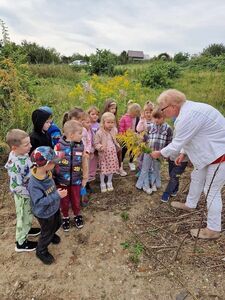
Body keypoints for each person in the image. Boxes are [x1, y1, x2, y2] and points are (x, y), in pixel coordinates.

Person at [151, 89, 225, 239]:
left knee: (211, 191)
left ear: (173, 105)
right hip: (208, 153)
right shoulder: (188, 111)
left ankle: (213, 229)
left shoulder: (189, 115)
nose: (162, 112)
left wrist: (159, 153)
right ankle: (190, 204)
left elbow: (177, 143)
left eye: (163, 109)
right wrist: (183, 153)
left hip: (218, 154)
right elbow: (190, 136)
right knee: (196, 177)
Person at [28, 146, 67, 264]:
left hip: (53, 207)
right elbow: (39, 202)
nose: (56, 163)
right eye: (54, 162)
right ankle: (41, 250)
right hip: (44, 213)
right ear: (46, 164)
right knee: (46, 232)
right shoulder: (34, 184)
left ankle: (51, 234)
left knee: (58, 223)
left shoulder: (47, 171)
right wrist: (57, 196)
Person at [5, 129, 40, 252]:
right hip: (23, 195)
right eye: (26, 145)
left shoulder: (21, 153)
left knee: (28, 214)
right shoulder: (15, 164)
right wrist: (29, 193)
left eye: (29, 143)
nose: (30, 146)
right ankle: (21, 242)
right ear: (14, 148)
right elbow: (16, 186)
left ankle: (28, 229)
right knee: (23, 217)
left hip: (28, 191)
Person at [54, 120, 88, 231]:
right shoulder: (58, 147)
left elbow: (84, 163)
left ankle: (77, 215)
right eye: (80, 133)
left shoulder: (81, 146)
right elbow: (53, 163)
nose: (82, 135)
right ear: (72, 135)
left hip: (76, 181)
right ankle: (65, 217)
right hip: (62, 181)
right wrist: (53, 179)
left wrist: (85, 178)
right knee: (63, 201)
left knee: (76, 199)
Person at [136, 109, 173, 194]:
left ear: (164, 118)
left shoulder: (168, 129)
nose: (156, 120)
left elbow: (169, 142)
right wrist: (140, 142)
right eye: (155, 117)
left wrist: (165, 153)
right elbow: (145, 140)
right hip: (148, 152)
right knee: (145, 168)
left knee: (156, 169)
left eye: (159, 118)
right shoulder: (149, 127)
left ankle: (153, 184)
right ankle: (144, 185)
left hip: (159, 153)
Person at [94, 112, 120, 193]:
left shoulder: (114, 130)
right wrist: (100, 147)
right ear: (103, 122)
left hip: (112, 152)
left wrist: (118, 145)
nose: (110, 124)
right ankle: (102, 183)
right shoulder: (99, 132)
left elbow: (116, 139)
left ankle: (109, 181)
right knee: (103, 169)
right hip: (104, 154)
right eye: (108, 122)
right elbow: (95, 143)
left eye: (112, 122)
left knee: (112, 167)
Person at [119, 102, 141, 171]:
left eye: (136, 115)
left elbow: (138, 127)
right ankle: (121, 163)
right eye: (133, 114)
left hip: (134, 137)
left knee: (133, 150)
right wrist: (122, 136)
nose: (134, 116)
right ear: (130, 111)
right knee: (124, 150)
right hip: (126, 137)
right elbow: (121, 128)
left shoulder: (137, 118)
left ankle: (131, 162)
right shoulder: (124, 118)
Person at [87, 106, 100, 182]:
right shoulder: (88, 125)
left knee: (94, 161)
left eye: (96, 114)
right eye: (93, 114)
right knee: (89, 160)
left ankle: (92, 175)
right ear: (88, 115)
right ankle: (87, 174)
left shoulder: (99, 125)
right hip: (89, 146)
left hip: (96, 146)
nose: (95, 116)